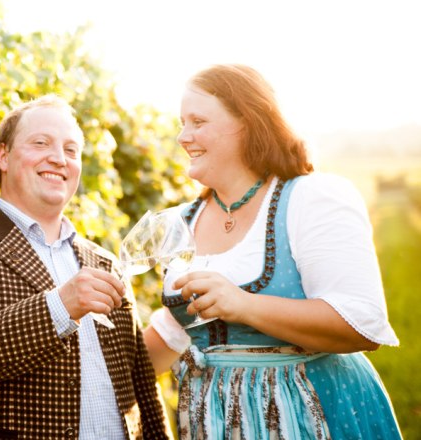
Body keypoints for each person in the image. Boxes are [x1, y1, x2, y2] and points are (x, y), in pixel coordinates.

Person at [143, 64, 402, 439]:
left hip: (311, 414)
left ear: (249, 122)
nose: (183, 136)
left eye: (198, 121)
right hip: (213, 423)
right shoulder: (181, 222)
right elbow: (173, 334)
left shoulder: (311, 198)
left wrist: (243, 304)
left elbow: (362, 324)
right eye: (182, 122)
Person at [0, 94, 171, 439]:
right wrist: (59, 306)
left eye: (71, 150)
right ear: (2, 155)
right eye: (41, 143)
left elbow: (142, 389)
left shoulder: (104, 262)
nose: (59, 158)